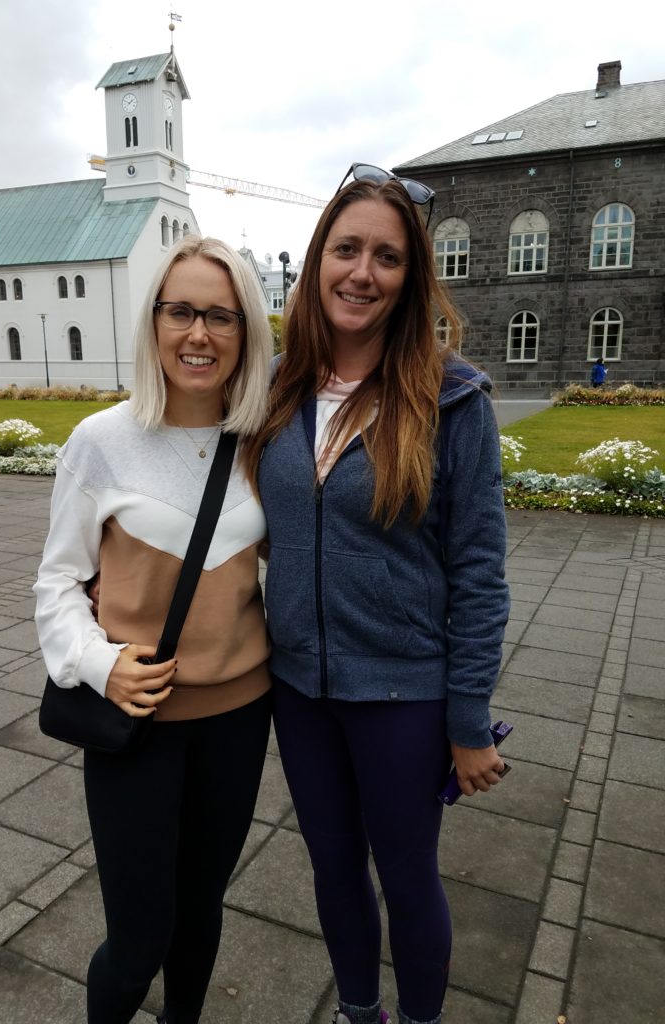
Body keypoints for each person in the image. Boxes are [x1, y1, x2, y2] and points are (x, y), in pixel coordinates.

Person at [243, 164, 510, 1024]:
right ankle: (360, 1013)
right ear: (319, 258)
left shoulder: (453, 398)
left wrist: (468, 723)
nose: (362, 272)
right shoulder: (275, 386)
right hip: (298, 688)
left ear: (411, 279)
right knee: (330, 868)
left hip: (403, 691)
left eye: (387, 257)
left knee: (407, 877)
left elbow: (478, 571)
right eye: (347, 248)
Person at [34, 236, 273, 1024]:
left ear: (247, 331)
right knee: (139, 936)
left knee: (201, 913)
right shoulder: (101, 442)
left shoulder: (267, 441)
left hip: (239, 720)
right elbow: (57, 582)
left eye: (220, 315)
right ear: (154, 323)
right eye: (180, 312)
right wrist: (98, 665)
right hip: (136, 722)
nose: (198, 334)